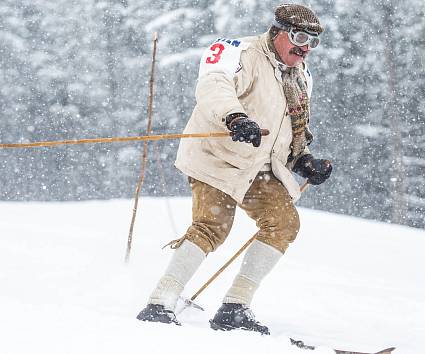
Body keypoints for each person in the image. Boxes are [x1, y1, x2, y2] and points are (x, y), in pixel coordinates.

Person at [136, 3, 332, 335]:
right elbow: (214, 85)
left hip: (259, 166)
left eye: (313, 42)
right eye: (299, 37)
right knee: (213, 225)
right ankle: (159, 302)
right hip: (217, 157)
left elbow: (287, 132)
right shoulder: (236, 51)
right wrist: (235, 117)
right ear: (278, 32)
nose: (305, 49)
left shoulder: (301, 76)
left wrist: (303, 161)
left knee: (283, 223)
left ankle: (235, 307)